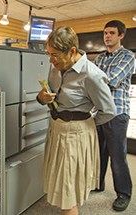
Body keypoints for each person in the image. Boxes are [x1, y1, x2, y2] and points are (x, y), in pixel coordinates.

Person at [37, 26, 117, 215]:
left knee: (67, 193)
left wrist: (84, 124)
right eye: (49, 54)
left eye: (55, 55)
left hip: (75, 135)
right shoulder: (55, 67)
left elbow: (109, 111)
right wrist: (42, 98)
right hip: (55, 130)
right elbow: (50, 95)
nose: (51, 60)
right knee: (61, 184)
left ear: (72, 51)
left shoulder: (92, 75)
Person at [93, 20, 135, 211]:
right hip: (99, 112)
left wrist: (95, 80)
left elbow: (113, 80)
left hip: (117, 113)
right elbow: (91, 81)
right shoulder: (100, 58)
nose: (107, 36)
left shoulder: (128, 56)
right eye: (105, 33)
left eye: (111, 33)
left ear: (121, 35)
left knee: (117, 156)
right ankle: (98, 183)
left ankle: (124, 194)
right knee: (98, 152)